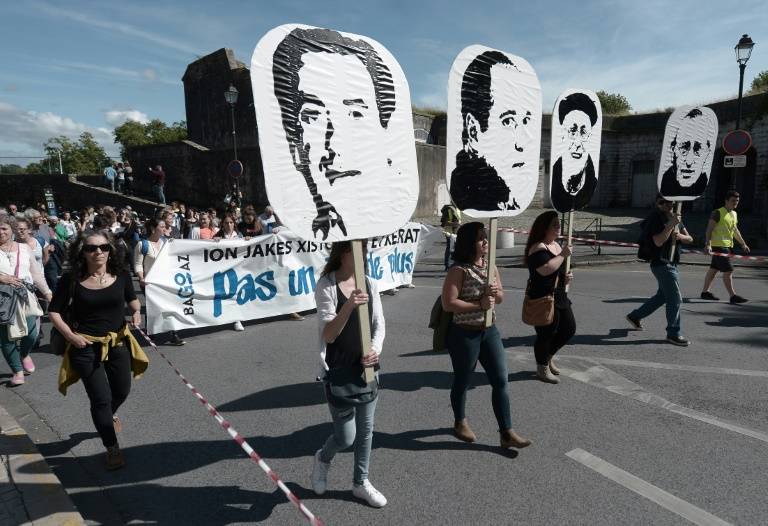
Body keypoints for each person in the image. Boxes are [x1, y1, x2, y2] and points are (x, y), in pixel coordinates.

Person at [273, 26, 400, 240]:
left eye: (356, 114)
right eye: (314, 116)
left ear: (386, 135)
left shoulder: (394, 226)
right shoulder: (296, 243)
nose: (337, 145)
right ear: (295, 147)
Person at [49, 230, 146, 470]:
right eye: (91, 248)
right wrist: (71, 336)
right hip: (85, 346)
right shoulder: (71, 279)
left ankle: (109, 414)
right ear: (82, 252)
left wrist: (136, 312)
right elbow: (54, 311)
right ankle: (111, 447)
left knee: (122, 390)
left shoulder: (121, 275)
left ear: (111, 250)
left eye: (103, 247)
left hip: (117, 342)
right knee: (100, 399)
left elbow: (133, 301)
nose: (98, 252)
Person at [440, 222, 531, 450]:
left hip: (489, 331)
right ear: (469, 243)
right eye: (481, 238)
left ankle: (506, 432)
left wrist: (494, 293)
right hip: (463, 334)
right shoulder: (458, 270)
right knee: (463, 380)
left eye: (486, 237)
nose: (486, 242)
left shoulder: (490, 265)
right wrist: (478, 304)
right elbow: (448, 303)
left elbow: (500, 296)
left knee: (500, 380)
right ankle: (460, 421)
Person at [311, 241, 387, 507]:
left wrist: (375, 350)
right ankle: (323, 458)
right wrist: (349, 305)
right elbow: (329, 335)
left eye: (365, 251)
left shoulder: (370, 283)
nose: (365, 256)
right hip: (338, 372)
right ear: (345, 254)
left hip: (367, 370)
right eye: (360, 251)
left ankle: (360, 482)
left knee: (366, 431)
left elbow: (379, 325)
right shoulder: (326, 285)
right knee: (346, 437)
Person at [449, 50, 541, 212]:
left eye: (525, 120)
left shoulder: (511, 198)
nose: (521, 143)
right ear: (473, 130)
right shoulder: (470, 200)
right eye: (508, 121)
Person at [627, 194, 694, 346]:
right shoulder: (655, 218)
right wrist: (670, 225)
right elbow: (657, 242)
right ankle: (673, 333)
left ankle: (635, 316)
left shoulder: (675, 217)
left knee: (662, 296)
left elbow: (690, 239)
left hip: (673, 262)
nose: (665, 204)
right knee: (676, 298)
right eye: (661, 202)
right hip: (661, 263)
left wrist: (680, 236)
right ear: (656, 203)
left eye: (668, 201)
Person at [0, 216, 52, 386]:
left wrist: (47, 292)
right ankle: (17, 371)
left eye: (4, 228)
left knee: (32, 333)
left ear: (11, 229)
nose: (0, 232)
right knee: (7, 338)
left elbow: (35, 273)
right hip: (3, 299)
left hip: (25, 296)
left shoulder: (23, 248)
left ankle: (24, 354)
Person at [524, 211, 575, 383]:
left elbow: (557, 271)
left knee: (568, 328)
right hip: (542, 297)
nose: (558, 226)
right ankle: (542, 368)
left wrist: (564, 277)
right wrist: (562, 256)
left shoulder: (557, 245)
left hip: (559, 295)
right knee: (546, 334)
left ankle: (548, 357)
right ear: (544, 228)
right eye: (554, 224)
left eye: (559, 223)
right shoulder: (538, 247)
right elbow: (544, 269)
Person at [134, 218, 185, 346]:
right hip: (149, 282)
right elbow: (138, 264)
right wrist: (141, 278)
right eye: (162, 226)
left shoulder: (167, 243)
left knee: (170, 306)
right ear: (153, 229)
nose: (165, 229)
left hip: (165, 281)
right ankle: (151, 332)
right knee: (153, 308)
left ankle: (174, 334)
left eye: (165, 227)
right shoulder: (143, 244)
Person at [551, 93, 599, 212]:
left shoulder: (593, 181)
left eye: (583, 132)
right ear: (562, 134)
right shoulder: (552, 177)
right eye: (572, 131)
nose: (577, 143)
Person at [701, 190, 750, 303]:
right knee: (728, 270)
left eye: (737, 201)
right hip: (719, 246)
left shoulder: (734, 214)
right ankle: (733, 296)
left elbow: (734, 230)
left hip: (727, 246)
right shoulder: (717, 213)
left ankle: (705, 292)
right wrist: (708, 244)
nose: (735, 203)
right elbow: (709, 229)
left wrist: (743, 244)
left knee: (713, 269)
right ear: (726, 201)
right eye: (733, 201)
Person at [659, 108, 715, 199]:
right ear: (673, 150)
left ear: (707, 153)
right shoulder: (664, 183)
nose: (689, 162)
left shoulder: (704, 182)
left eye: (698, 149)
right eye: (684, 148)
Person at [213, 214, 246, 331]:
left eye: (231, 222)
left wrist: (248, 241)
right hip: (224, 270)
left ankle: (238, 318)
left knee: (238, 292)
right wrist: (214, 242)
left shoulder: (239, 235)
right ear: (223, 224)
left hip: (238, 268)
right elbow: (208, 249)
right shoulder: (218, 236)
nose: (229, 225)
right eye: (226, 223)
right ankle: (234, 319)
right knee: (229, 293)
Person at [440, 203, 461, 271]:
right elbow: (444, 223)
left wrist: (458, 225)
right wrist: (455, 224)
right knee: (449, 248)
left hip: (456, 233)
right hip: (449, 233)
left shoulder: (458, 209)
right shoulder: (448, 209)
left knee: (455, 249)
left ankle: (453, 264)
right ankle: (447, 265)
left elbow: (458, 220)